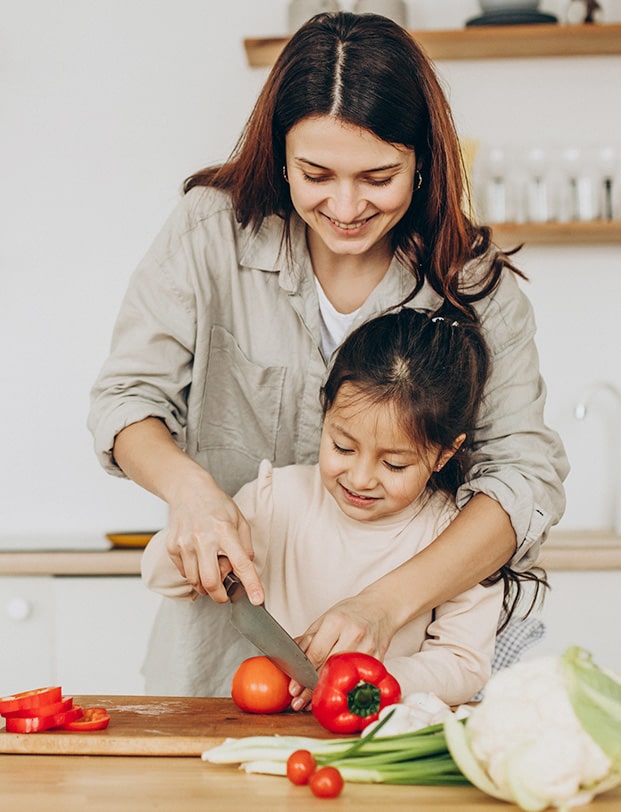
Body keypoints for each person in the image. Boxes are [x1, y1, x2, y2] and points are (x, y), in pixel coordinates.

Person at [88, 11, 568, 698]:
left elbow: (523, 478)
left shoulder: (471, 284)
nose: (345, 206)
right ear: (280, 155)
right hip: (217, 669)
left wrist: (385, 603)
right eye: (316, 174)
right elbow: (125, 401)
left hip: (394, 684)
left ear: (424, 162)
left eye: (378, 177)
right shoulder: (208, 232)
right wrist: (190, 493)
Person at [142, 307, 547, 706]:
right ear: (326, 412)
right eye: (342, 447)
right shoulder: (275, 497)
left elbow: (463, 664)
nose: (360, 478)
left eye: (394, 464)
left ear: (444, 454)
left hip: (382, 732)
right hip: (278, 733)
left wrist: (372, 682)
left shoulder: (461, 538)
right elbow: (160, 576)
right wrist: (193, 541)